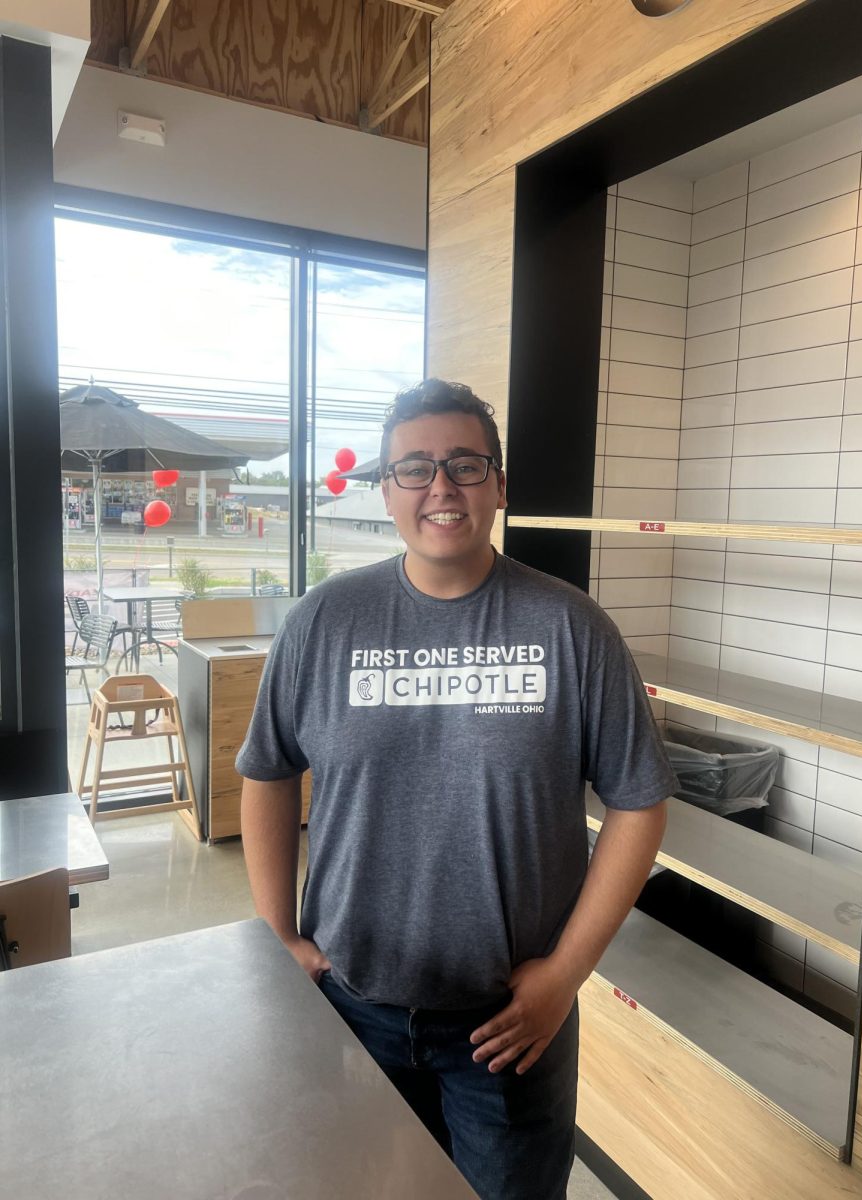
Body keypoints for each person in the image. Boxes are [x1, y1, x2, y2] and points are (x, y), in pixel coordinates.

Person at [237, 378, 675, 1200]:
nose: (441, 486)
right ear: (385, 489)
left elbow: (639, 801)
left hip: (509, 1026)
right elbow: (267, 772)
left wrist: (565, 975)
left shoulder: (572, 630)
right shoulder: (325, 622)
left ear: (500, 487)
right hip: (350, 1001)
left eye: (466, 465)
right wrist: (278, 937)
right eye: (414, 467)